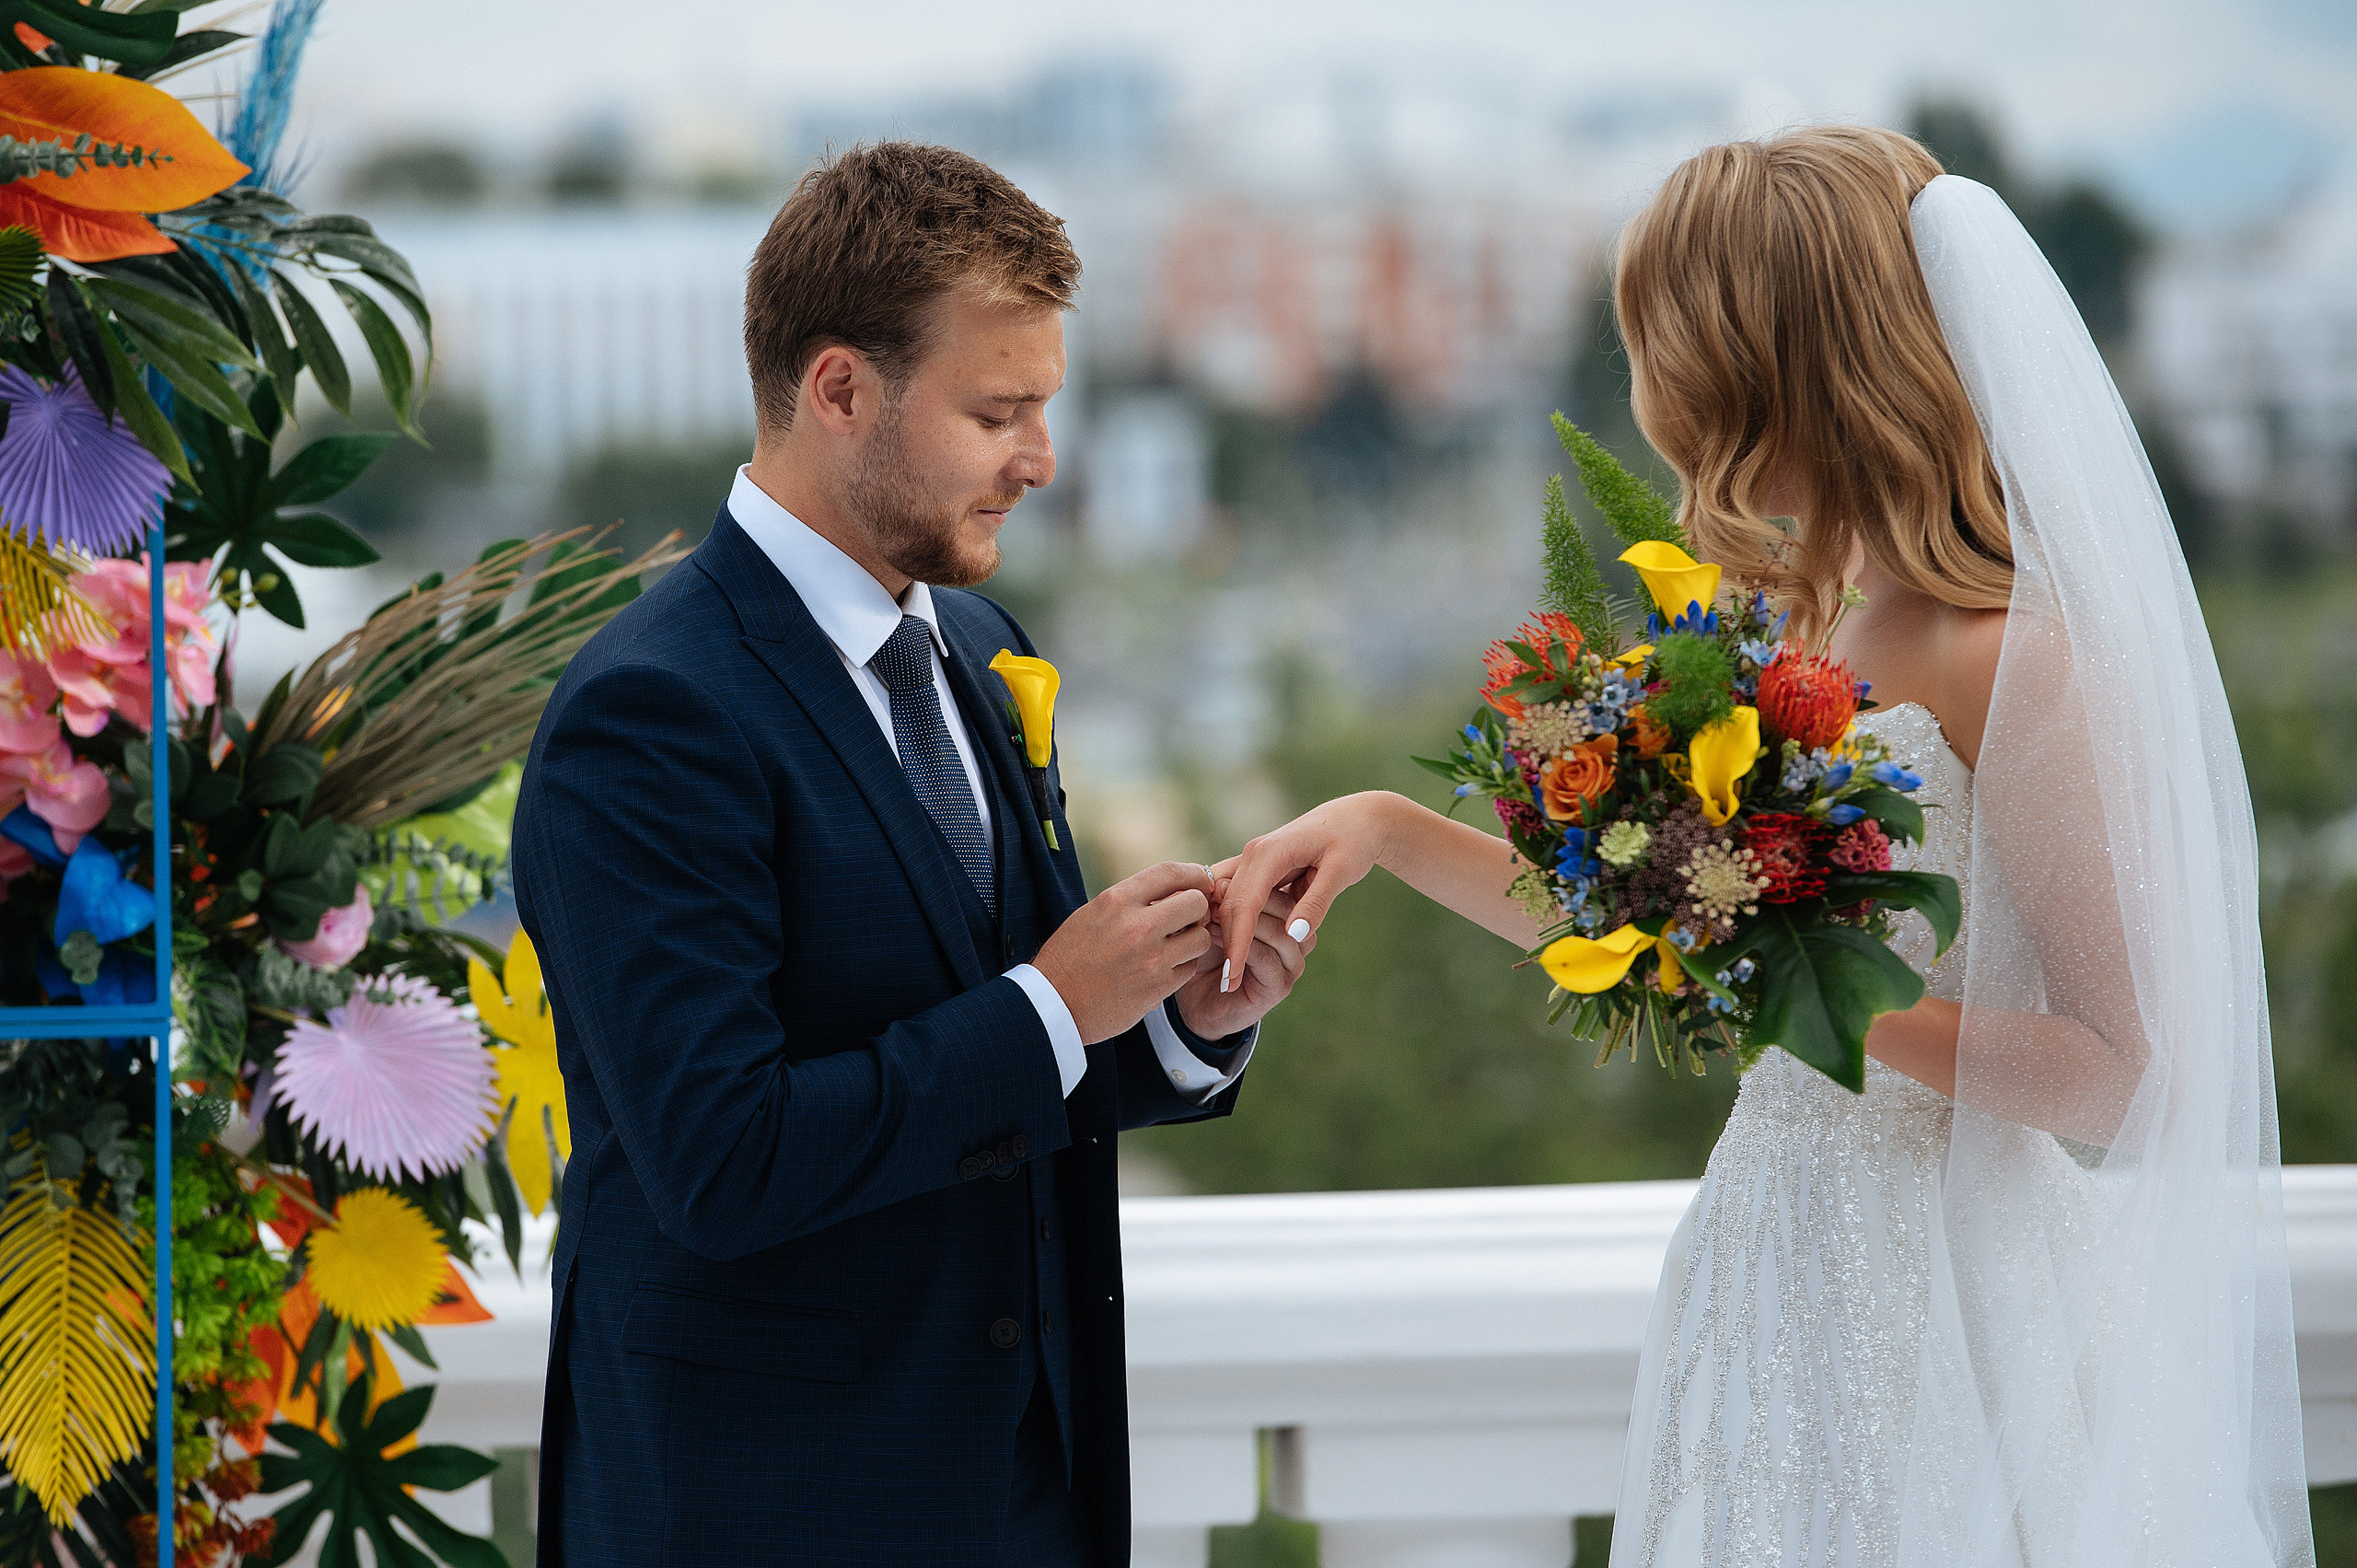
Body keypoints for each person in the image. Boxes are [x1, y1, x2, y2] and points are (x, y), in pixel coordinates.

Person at [1213, 125, 2313, 1565]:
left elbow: (2125, 1072)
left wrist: (1819, 998)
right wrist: (1385, 830)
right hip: (1772, 1260)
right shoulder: (1804, 632)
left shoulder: (2018, 657)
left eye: (1678, 349)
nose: (1661, 399)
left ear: (1782, 362)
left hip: (1954, 1300)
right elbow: (1657, 936)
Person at [510, 142, 1314, 1567]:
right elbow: (724, 1159)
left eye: (1044, 408)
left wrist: (1182, 1022)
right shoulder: (650, 714)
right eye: (997, 410)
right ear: (839, 392)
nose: (1041, 460)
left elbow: (1009, 1070)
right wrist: (1059, 1004)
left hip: (1026, 1489)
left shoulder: (981, 647)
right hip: (766, 1509)